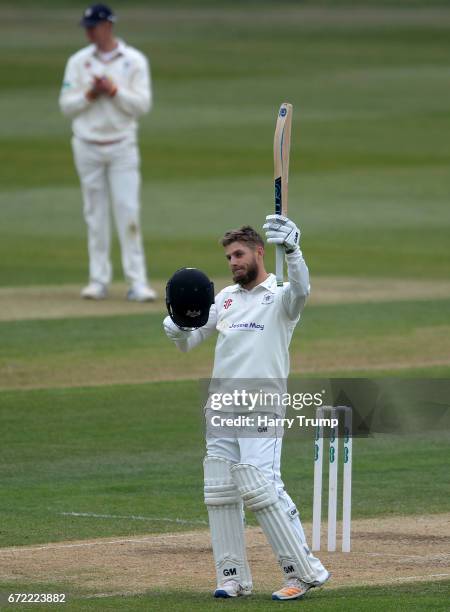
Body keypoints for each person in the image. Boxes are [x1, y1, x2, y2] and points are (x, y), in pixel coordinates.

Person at [163, 214, 329, 601]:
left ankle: (302, 573)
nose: (233, 262)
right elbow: (189, 341)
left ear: (259, 252)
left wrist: (292, 249)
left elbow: (302, 290)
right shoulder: (225, 298)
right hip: (221, 405)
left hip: (261, 405)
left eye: (239, 254)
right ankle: (232, 576)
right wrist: (176, 326)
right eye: (228, 258)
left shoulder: (282, 298)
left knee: (262, 488)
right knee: (220, 491)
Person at [59, 4, 156, 302]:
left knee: (128, 211)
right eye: (86, 26)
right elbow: (66, 105)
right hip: (87, 145)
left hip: (122, 146)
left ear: (108, 26)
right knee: (95, 214)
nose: (89, 31)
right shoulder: (78, 61)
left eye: (93, 26)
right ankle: (98, 280)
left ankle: (137, 282)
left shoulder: (133, 60)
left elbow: (142, 105)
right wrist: (90, 93)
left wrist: (114, 91)